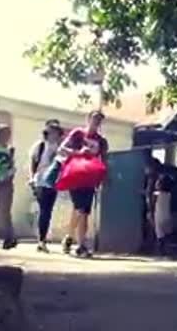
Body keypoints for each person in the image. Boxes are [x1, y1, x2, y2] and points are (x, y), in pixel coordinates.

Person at [59, 110, 108, 258]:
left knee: (80, 209)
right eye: (94, 119)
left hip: (90, 177)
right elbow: (62, 149)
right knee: (82, 210)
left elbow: (104, 160)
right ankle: (81, 245)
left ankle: (69, 237)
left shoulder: (101, 141)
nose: (96, 122)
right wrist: (79, 153)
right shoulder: (78, 134)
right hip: (75, 174)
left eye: (99, 120)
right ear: (88, 119)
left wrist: (103, 177)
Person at [28, 119, 64, 253]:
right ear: (47, 133)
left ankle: (42, 239)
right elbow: (33, 163)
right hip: (40, 181)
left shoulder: (60, 148)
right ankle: (41, 240)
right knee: (45, 210)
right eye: (51, 132)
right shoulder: (40, 146)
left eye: (56, 132)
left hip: (54, 183)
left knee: (48, 211)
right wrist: (32, 178)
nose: (54, 134)